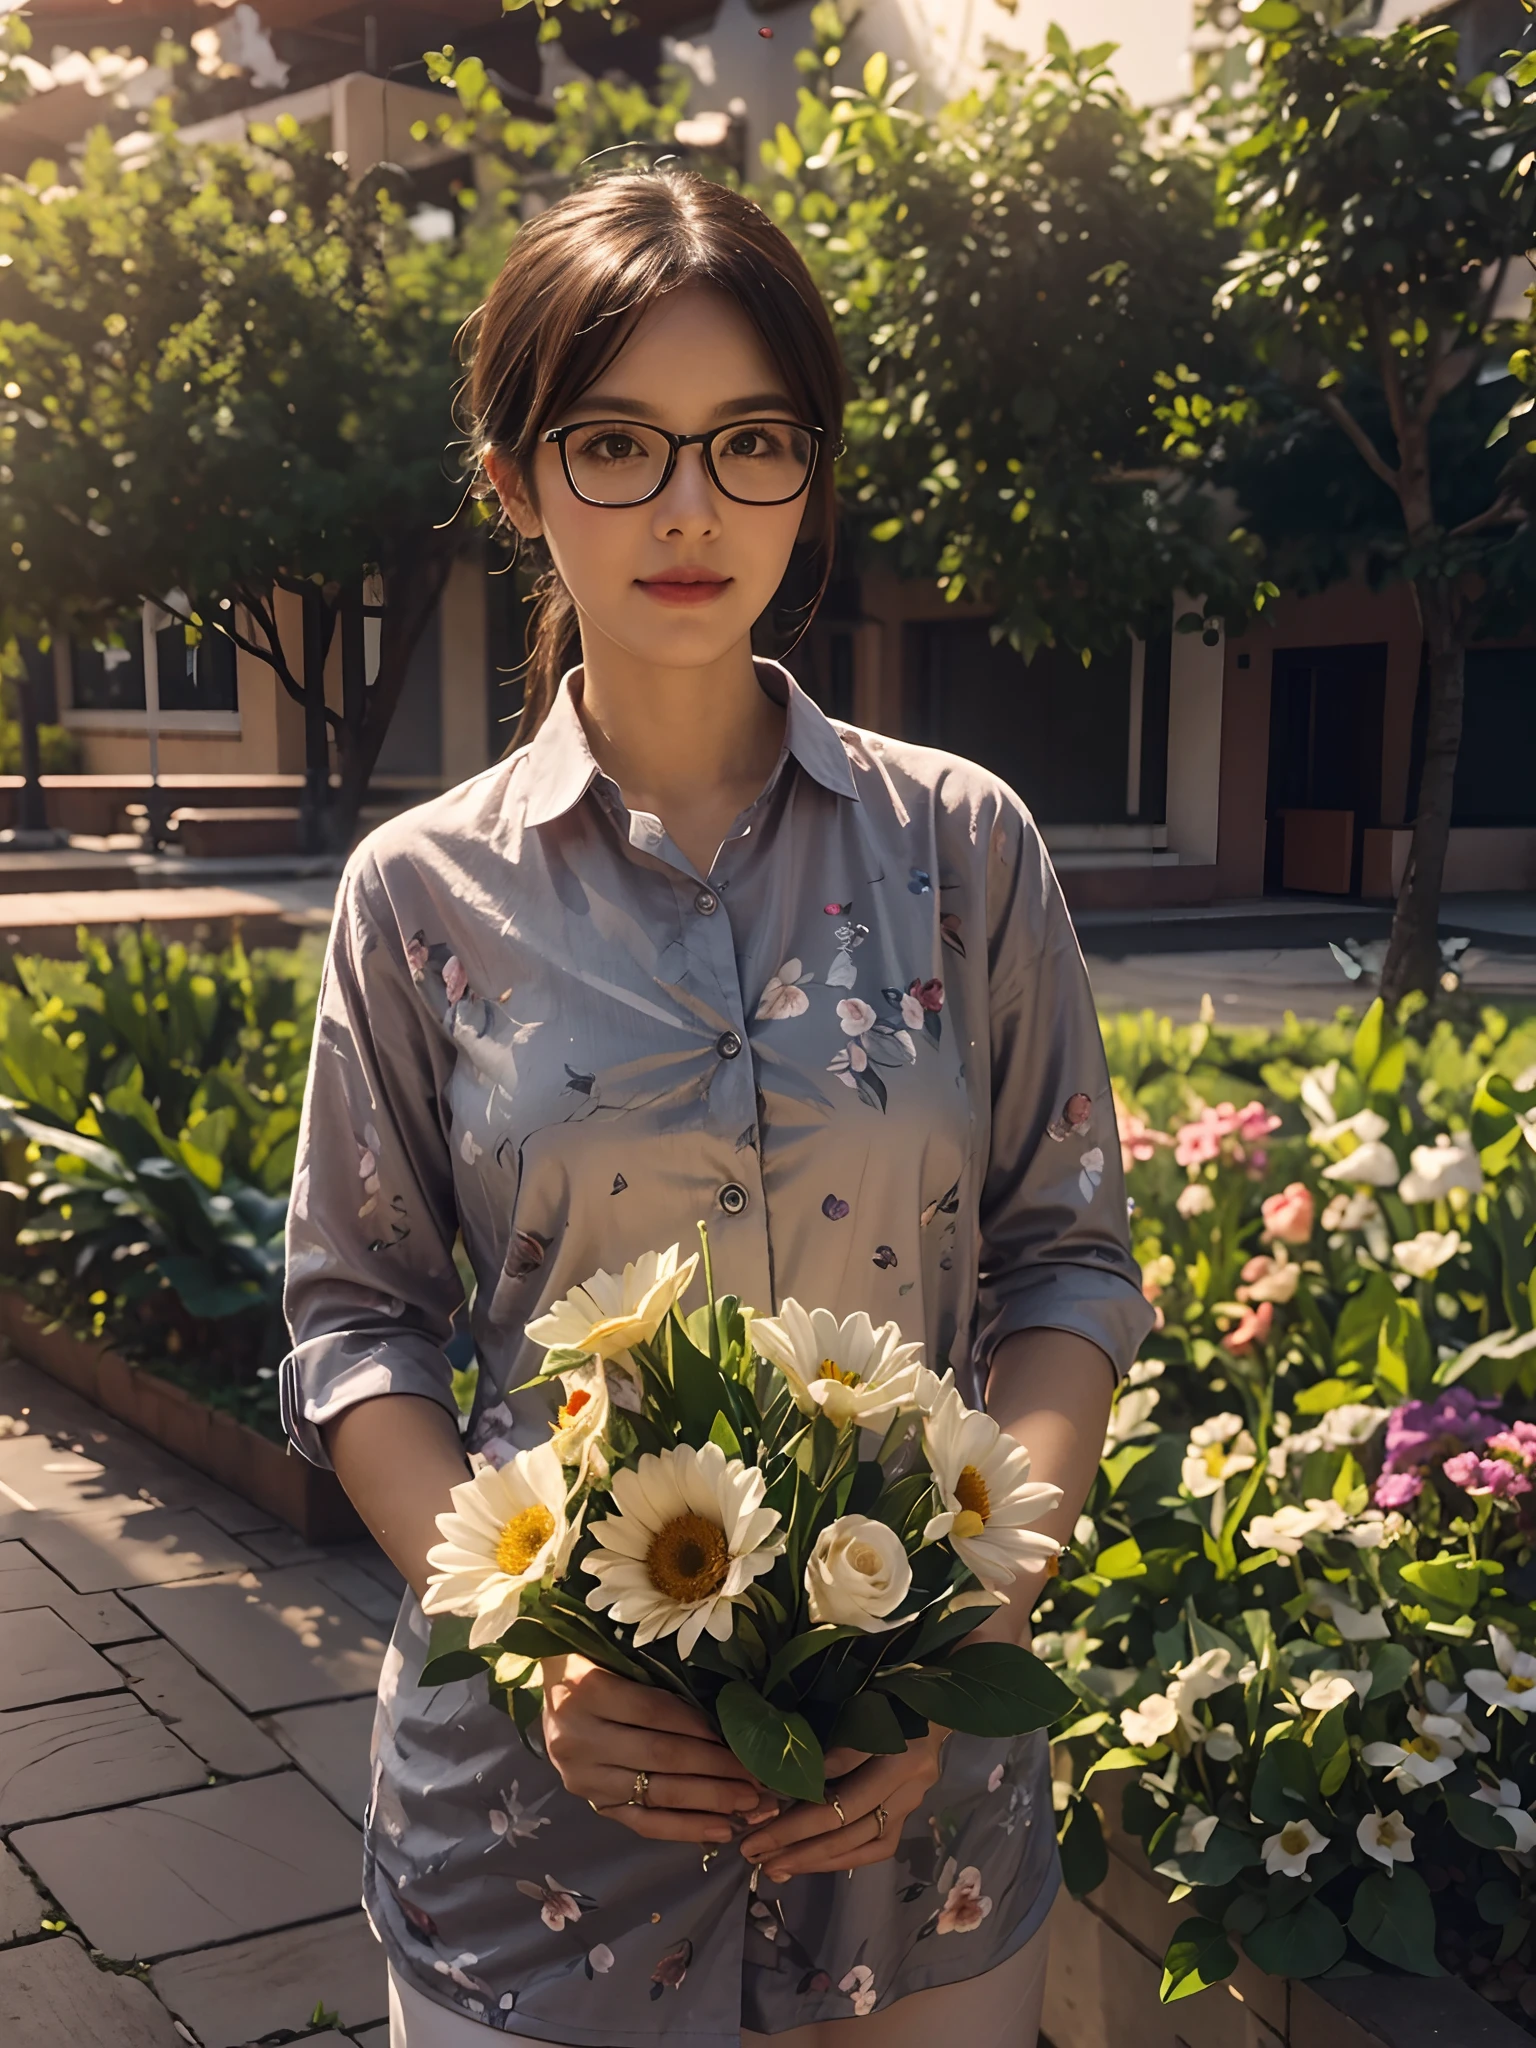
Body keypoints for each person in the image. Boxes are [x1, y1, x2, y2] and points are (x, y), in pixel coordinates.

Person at [282, 169, 1153, 2048]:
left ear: (808, 478)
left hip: (921, 1826)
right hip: (542, 1836)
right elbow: (356, 1325)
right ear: (515, 481)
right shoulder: (424, 896)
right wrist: (533, 1658)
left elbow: (1067, 1263)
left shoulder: (962, 849)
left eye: (749, 444)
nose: (690, 508)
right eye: (617, 445)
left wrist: (970, 1643)